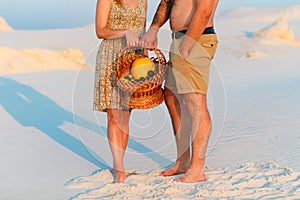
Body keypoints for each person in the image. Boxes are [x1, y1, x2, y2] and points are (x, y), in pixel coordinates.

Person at [140, 0, 219, 183]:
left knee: (195, 101)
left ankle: (197, 169)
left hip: (195, 39)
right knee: (172, 96)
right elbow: (167, 1)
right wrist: (154, 28)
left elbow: (204, 11)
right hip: (180, 39)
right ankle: (183, 161)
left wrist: (187, 44)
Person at [93, 0, 147, 183]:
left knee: (125, 115)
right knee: (114, 115)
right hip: (111, 57)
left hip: (134, 60)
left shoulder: (143, 1)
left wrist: (146, 62)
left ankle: (120, 163)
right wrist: (124, 32)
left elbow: (143, 33)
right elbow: (100, 31)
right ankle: (119, 168)